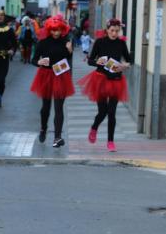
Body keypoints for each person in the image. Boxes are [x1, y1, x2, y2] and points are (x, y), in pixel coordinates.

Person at [78, 18, 131, 152]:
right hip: (101, 79)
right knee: (103, 111)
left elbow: (129, 61)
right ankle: (94, 127)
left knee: (112, 113)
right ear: (106, 30)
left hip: (116, 80)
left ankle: (110, 141)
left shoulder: (121, 44)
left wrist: (124, 66)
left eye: (117, 31)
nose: (114, 33)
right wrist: (98, 63)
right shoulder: (100, 42)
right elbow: (90, 60)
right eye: (112, 31)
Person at [30, 15, 75, 147]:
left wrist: (70, 51)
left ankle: (57, 137)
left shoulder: (66, 41)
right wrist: (39, 62)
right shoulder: (43, 43)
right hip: (46, 75)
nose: (56, 32)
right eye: (53, 30)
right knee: (46, 107)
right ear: (49, 29)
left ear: (62, 29)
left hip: (61, 76)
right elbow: (34, 60)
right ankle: (43, 128)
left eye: (58, 30)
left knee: (59, 108)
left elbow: (68, 58)